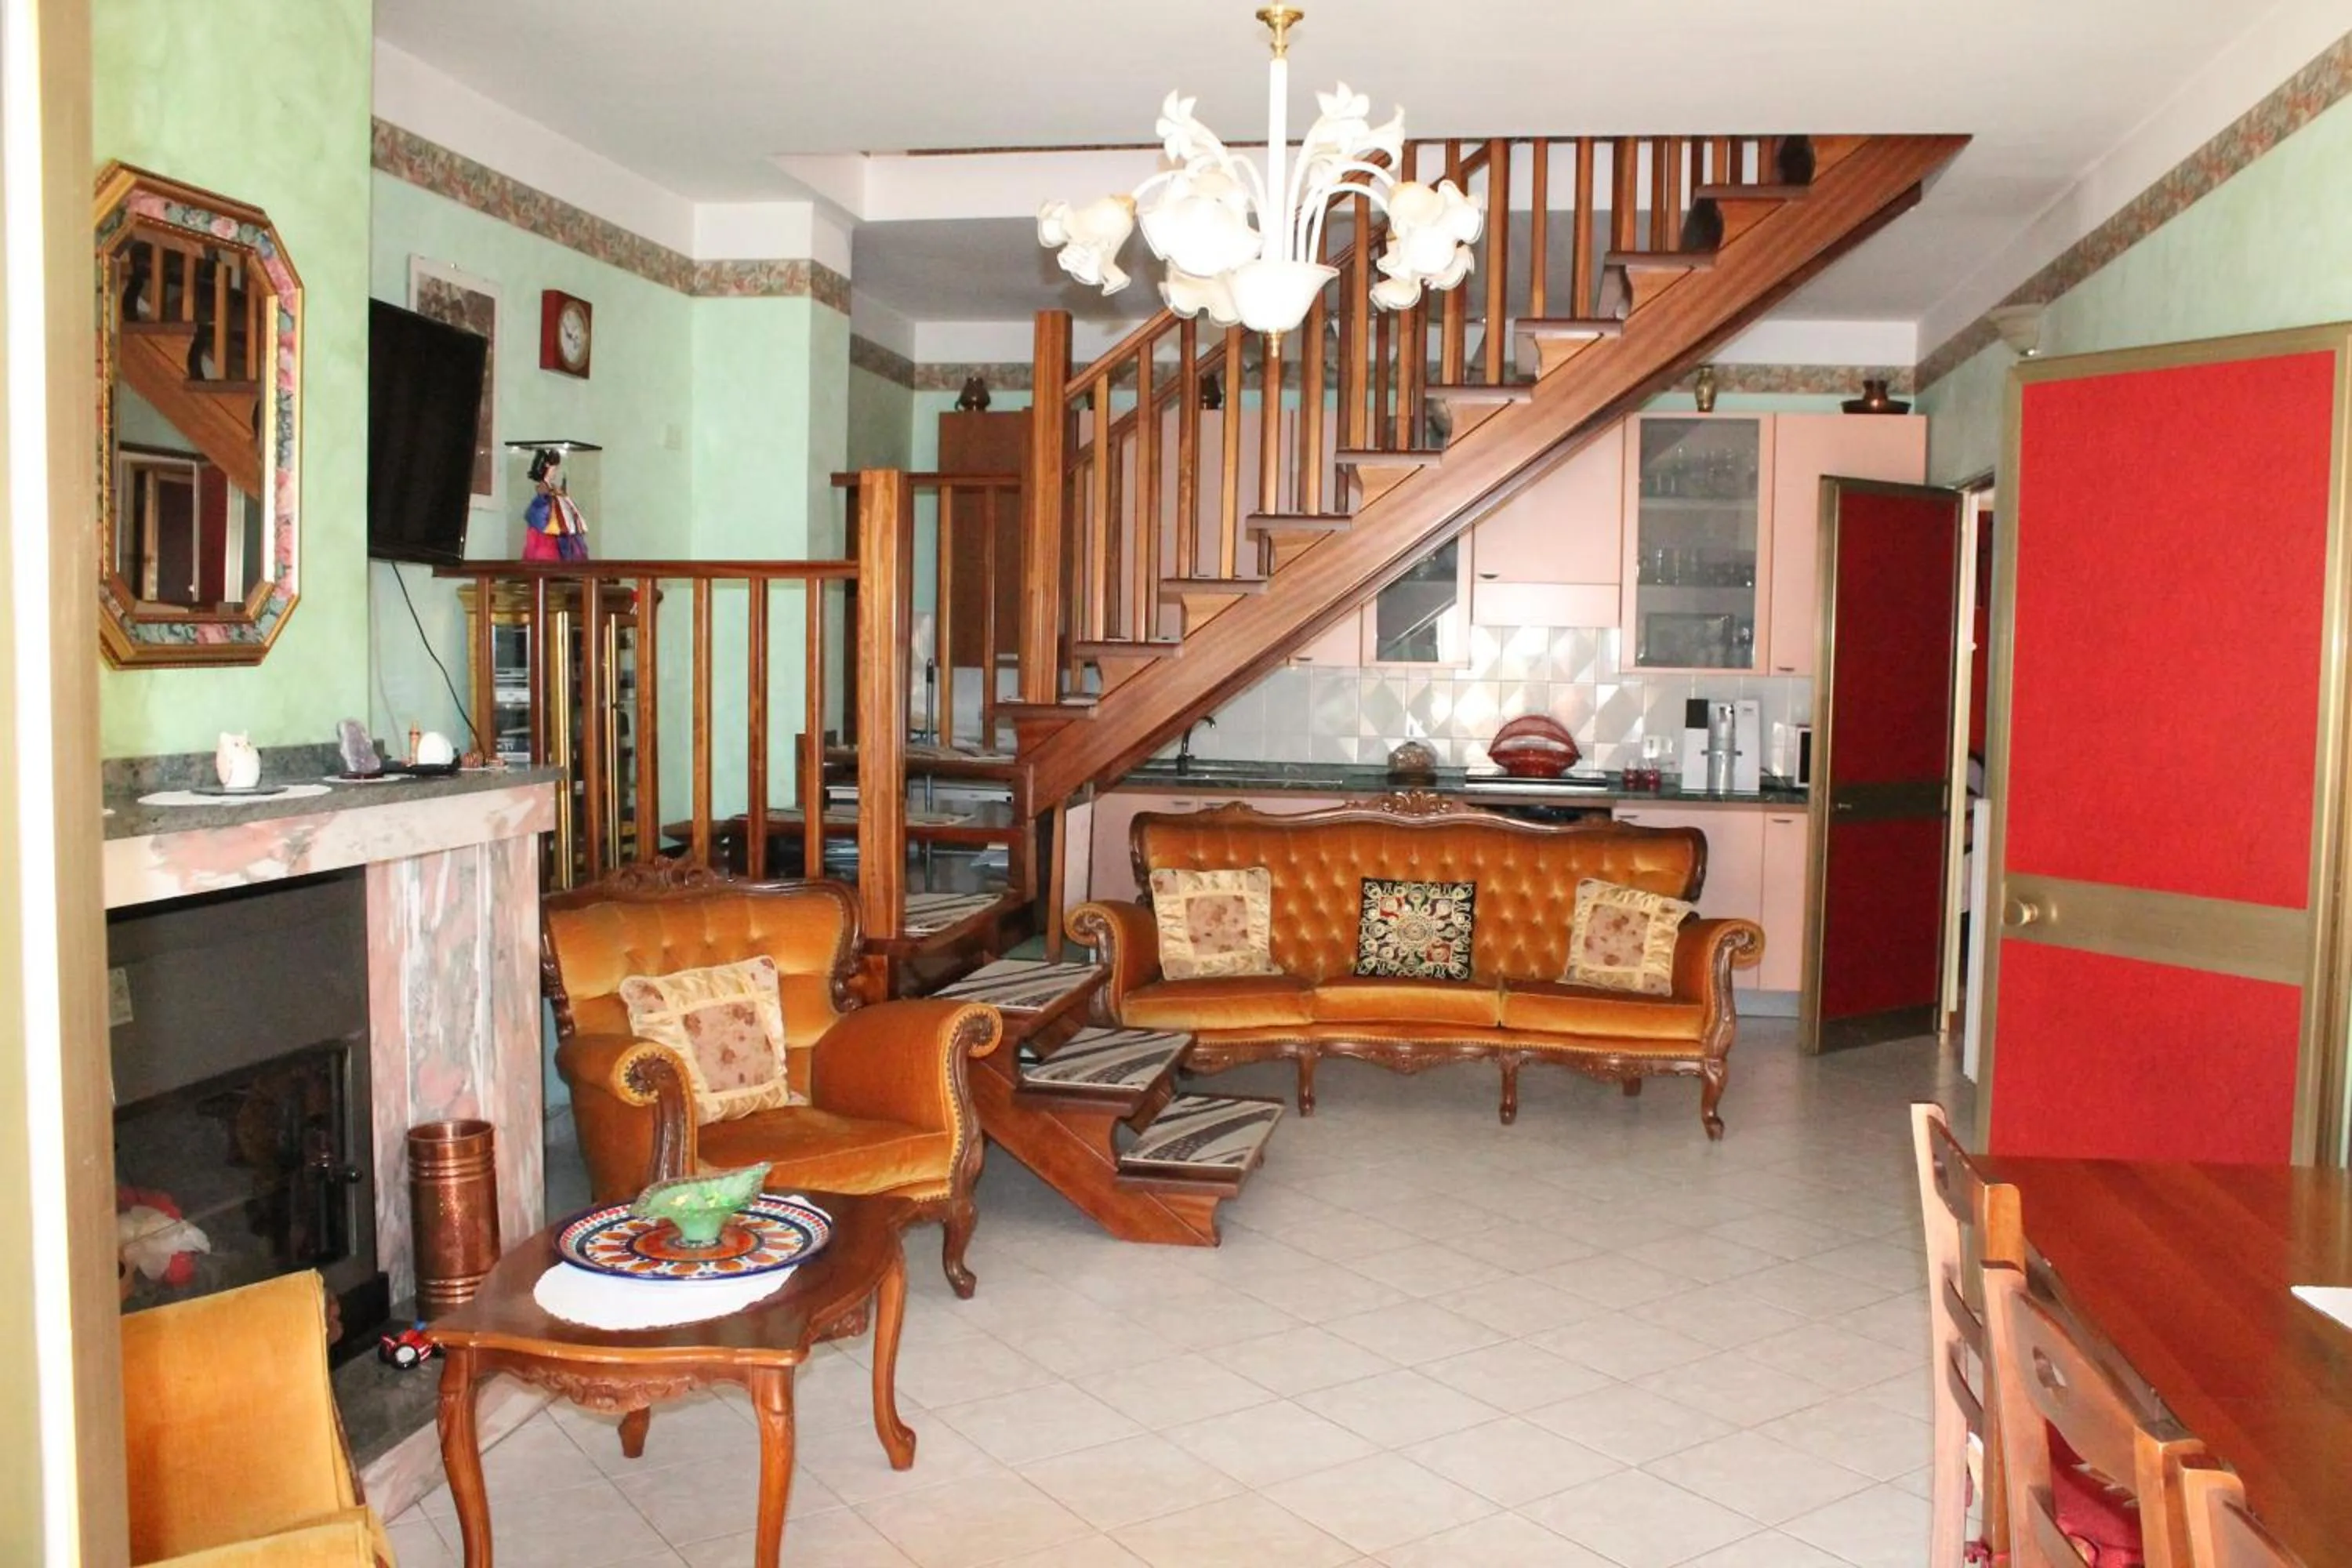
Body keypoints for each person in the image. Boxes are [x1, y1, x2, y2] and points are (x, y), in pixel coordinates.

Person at [523, 446, 590, 561]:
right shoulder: (543, 491)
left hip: (559, 529)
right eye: (553, 470)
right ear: (545, 469)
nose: (555, 473)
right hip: (548, 531)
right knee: (547, 553)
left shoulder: (555, 490)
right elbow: (538, 515)